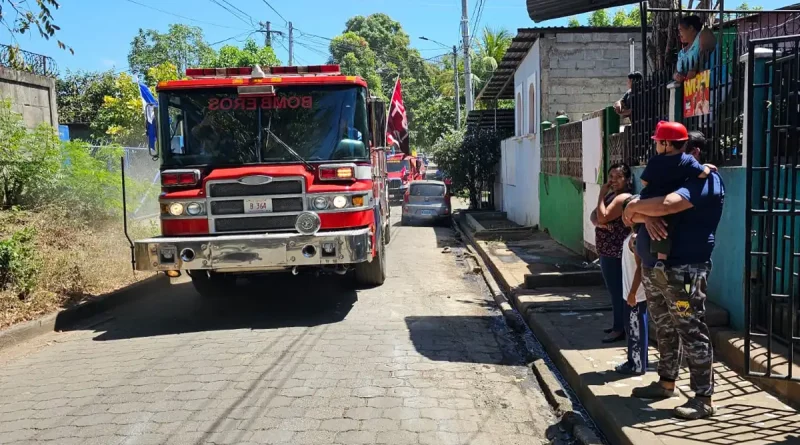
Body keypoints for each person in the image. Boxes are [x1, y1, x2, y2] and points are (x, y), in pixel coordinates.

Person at [622, 130, 724, 420]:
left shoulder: (706, 182)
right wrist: (643, 212)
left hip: (686, 271)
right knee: (664, 326)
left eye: (677, 153)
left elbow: (668, 205)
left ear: (693, 153)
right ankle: (666, 382)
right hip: (656, 269)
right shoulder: (668, 180)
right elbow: (630, 216)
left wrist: (637, 207)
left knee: (690, 327)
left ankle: (703, 398)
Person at [638, 121, 713, 281]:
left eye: (657, 142)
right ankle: (661, 261)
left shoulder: (654, 161)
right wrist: (707, 167)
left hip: (648, 199)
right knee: (665, 229)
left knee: (651, 225)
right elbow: (703, 174)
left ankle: (642, 242)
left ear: (666, 143)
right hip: (668, 201)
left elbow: (644, 181)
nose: (656, 145)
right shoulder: (687, 160)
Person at [591, 163, 633, 343]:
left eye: (618, 177)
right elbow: (594, 215)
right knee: (614, 290)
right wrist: (599, 223)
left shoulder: (622, 198)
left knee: (617, 291)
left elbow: (602, 216)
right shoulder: (612, 196)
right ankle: (618, 324)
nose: (613, 180)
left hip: (615, 252)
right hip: (607, 250)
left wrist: (601, 193)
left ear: (627, 179)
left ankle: (620, 329)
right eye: (611, 176)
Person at [614, 218, 648, 375]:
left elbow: (640, 267)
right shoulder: (633, 235)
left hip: (635, 294)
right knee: (633, 327)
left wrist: (633, 292)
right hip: (630, 291)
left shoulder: (635, 239)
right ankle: (635, 361)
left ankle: (637, 365)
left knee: (635, 329)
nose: (623, 216)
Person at [675, 15, 703, 83]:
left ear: (691, 28)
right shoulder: (682, 52)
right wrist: (676, 76)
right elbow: (676, 71)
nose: (679, 34)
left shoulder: (702, 37)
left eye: (680, 30)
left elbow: (706, 51)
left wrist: (694, 69)